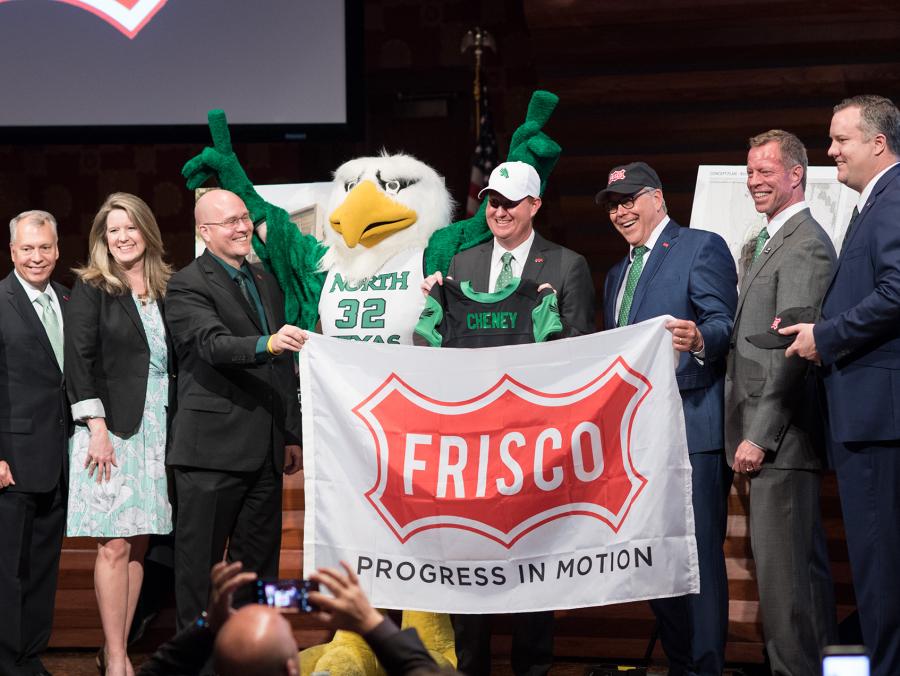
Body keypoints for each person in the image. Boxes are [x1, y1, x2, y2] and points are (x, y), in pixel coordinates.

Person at [422, 160, 596, 676]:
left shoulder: (567, 266)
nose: (497, 210)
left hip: (535, 447)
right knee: (470, 569)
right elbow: (436, 352)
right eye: (492, 201)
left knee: (533, 573)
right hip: (471, 449)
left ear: (534, 206)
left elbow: (579, 353)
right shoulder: (460, 266)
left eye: (509, 202)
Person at [598, 162, 737, 675]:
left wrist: (700, 338)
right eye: (613, 204)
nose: (621, 210)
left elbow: (723, 322)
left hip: (693, 426)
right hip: (639, 438)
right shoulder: (616, 275)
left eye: (630, 198)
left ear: (657, 198)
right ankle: (682, 663)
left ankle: (705, 668)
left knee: (698, 556)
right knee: (653, 557)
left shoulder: (701, 246)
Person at [781, 94, 900, 676]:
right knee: (879, 568)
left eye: (840, 140)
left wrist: (825, 337)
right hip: (867, 414)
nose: (831, 152)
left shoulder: (895, 197)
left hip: (879, 417)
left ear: (878, 143)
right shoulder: (874, 203)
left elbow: (897, 293)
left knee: (881, 569)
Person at [164, 189, 304, 635]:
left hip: (264, 452)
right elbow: (210, 344)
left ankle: (252, 657)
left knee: (257, 573)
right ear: (204, 232)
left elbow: (285, 368)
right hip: (209, 455)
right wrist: (267, 343)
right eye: (230, 221)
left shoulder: (264, 279)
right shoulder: (186, 283)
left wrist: (291, 433)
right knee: (200, 573)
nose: (243, 227)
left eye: (244, 218)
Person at [724, 130, 837, 675]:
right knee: (795, 583)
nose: (754, 181)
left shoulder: (807, 243)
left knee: (789, 589)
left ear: (796, 174)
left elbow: (795, 350)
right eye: (749, 172)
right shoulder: (769, 240)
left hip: (781, 442)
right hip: (770, 440)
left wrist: (759, 434)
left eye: (765, 171)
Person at [64, 193, 175, 676]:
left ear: (146, 231)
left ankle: (121, 648)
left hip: (158, 428)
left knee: (139, 544)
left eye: (130, 227)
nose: (123, 237)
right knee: (113, 545)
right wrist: (97, 429)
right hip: (109, 432)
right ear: (102, 239)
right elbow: (79, 359)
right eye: (113, 230)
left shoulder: (166, 287)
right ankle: (114, 656)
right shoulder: (93, 287)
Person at [0, 210, 69, 676]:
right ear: (12, 252)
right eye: (27, 248)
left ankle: (29, 655)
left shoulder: (69, 298)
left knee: (44, 566)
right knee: (7, 569)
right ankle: (7, 661)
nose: (36, 257)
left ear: (57, 250)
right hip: (11, 459)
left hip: (60, 459)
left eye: (45, 247)